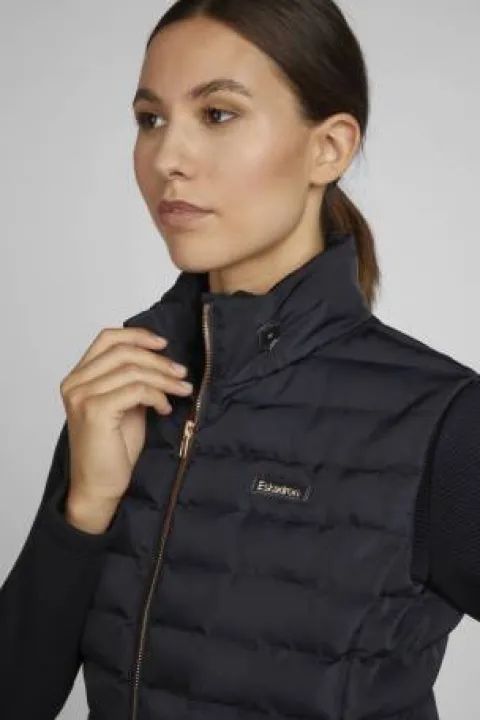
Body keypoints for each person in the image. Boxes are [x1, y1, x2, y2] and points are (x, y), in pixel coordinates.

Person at [1, 1, 479, 718]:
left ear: (329, 148)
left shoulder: (441, 421)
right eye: (150, 119)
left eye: (217, 114)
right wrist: (85, 509)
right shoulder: (120, 386)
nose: (168, 157)